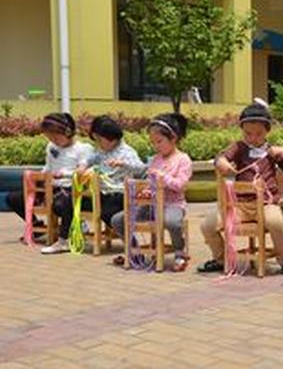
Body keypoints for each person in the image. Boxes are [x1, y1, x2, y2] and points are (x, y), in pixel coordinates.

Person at [197, 99, 283, 277]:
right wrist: (221, 162)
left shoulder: (272, 152)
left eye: (258, 134)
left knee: (276, 222)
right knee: (207, 225)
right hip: (240, 206)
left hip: (267, 204)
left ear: (267, 131)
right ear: (242, 130)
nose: (253, 138)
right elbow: (221, 157)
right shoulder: (239, 148)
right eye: (248, 133)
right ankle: (221, 258)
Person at [41, 115, 145, 254]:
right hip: (99, 195)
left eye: (100, 140)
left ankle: (133, 246)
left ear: (111, 138)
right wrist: (83, 166)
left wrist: (123, 163)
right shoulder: (101, 151)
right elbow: (90, 159)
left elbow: (141, 168)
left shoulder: (127, 152)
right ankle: (64, 241)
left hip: (118, 195)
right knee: (67, 200)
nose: (98, 144)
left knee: (109, 214)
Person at [111, 113, 193, 272]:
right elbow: (150, 181)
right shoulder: (156, 159)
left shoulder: (183, 160)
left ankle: (179, 252)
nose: (156, 146)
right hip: (152, 205)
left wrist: (163, 178)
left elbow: (180, 185)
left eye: (159, 141)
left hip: (172, 204)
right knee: (118, 220)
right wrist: (146, 191)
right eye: (153, 142)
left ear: (173, 138)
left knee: (172, 222)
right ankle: (135, 251)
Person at [6, 113, 93, 247]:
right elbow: (48, 167)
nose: (53, 140)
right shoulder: (51, 147)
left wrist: (64, 174)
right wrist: (38, 175)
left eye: (56, 137)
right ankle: (36, 226)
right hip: (49, 186)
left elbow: (85, 172)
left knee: (60, 204)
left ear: (68, 132)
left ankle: (74, 226)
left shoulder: (83, 149)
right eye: (50, 137)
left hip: (70, 189)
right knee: (14, 198)